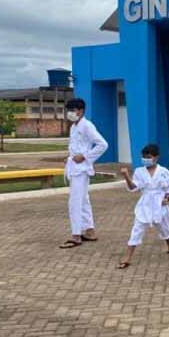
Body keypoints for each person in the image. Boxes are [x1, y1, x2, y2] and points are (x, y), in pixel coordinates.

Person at [117, 144, 169, 269]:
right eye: (144, 157)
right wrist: (126, 176)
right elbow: (133, 187)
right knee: (137, 228)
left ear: (156, 157)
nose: (146, 159)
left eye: (149, 157)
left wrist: (167, 197)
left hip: (160, 203)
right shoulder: (139, 171)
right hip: (145, 204)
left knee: (164, 227)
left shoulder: (164, 172)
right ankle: (128, 257)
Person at [59, 98, 108, 249]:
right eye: (68, 110)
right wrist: (72, 157)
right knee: (83, 200)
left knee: (75, 201)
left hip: (81, 169)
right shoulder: (74, 127)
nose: (69, 113)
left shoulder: (87, 125)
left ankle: (76, 235)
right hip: (74, 167)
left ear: (80, 111)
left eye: (72, 110)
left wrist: (85, 156)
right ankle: (90, 231)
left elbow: (102, 144)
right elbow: (75, 147)